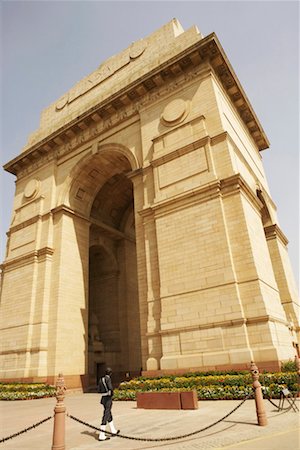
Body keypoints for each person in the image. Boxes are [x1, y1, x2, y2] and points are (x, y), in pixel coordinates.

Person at [98, 367, 120, 441]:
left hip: (103, 398)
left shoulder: (101, 379)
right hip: (108, 399)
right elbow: (110, 388)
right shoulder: (108, 379)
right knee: (106, 414)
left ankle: (113, 430)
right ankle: (101, 434)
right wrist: (112, 395)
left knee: (109, 413)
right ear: (110, 373)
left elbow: (99, 390)